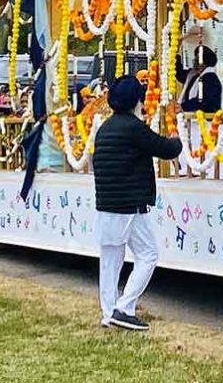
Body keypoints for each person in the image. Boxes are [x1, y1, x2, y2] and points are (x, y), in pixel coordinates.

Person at [92, 75, 182, 331]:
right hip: (129, 205)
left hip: (106, 204)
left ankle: (108, 312)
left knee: (109, 261)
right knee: (148, 254)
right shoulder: (133, 127)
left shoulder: (104, 129)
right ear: (135, 101)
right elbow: (165, 148)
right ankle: (125, 307)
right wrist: (177, 137)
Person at [175, 45, 222, 113]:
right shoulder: (194, 75)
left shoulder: (211, 79)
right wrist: (176, 51)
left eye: (197, 60)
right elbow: (180, 74)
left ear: (204, 63)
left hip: (206, 120)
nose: (194, 62)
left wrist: (183, 106)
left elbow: (204, 101)